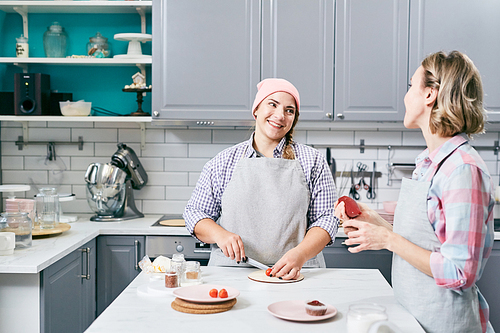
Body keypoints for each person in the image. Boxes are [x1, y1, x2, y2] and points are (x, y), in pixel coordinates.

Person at [335, 51, 495, 333]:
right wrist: (375, 222)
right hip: (415, 318)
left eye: (411, 86)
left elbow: (460, 273)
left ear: (430, 94)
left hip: (447, 324)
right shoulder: (428, 162)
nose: (407, 96)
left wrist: (386, 239)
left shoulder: (463, 170)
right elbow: (424, 241)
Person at [184, 78, 338, 280]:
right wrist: (220, 235)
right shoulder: (223, 162)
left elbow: (327, 219)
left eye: (289, 110)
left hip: (297, 275)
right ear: (256, 109)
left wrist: (301, 255)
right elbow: (195, 213)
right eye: (272, 104)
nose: (280, 115)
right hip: (232, 274)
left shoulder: (313, 161)